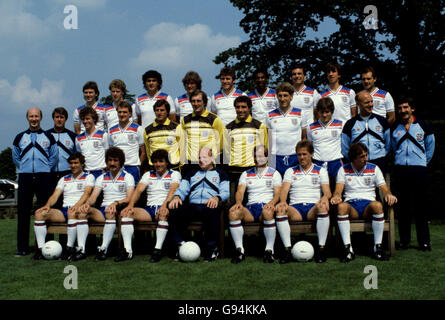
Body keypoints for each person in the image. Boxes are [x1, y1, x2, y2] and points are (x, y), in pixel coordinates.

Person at [331, 142, 397, 262]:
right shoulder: (344, 169)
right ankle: (348, 249)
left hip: (368, 205)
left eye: (366, 155)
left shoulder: (374, 168)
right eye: (362, 156)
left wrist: (389, 194)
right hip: (352, 206)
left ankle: (377, 248)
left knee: (378, 205)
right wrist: (336, 197)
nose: (365, 158)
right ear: (354, 158)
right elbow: (338, 190)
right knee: (341, 207)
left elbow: (384, 188)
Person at [168, 147, 229, 262]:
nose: (201, 160)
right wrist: (176, 197)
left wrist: (217, 197)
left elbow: (225, 192)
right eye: (199, 157)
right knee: (174, 208)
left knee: (213, 209)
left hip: (209, 205)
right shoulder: (191, 173)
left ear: (212, 158)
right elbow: (183, 189)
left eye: (204, 157)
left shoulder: (221, 173)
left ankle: (212, 248)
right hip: (193, 205)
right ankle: (179, 244)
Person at [275, 140, 332, 263]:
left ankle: (321, 249)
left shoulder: (320, 170)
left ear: (311, 154)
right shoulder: (290, 171)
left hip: (313, 207)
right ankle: (287, 250)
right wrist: (283, 201)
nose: (301, 157)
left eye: (304, 154)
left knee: (322, 207)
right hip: (296, 208)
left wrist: (324, 198)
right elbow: (284, 190)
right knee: (280, 209)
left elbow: (327, 192)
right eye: (299, 154)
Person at [391, 95, 435, 251]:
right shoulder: (395, 128)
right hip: (401, 170)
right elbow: (393, 148)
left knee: (421, 207)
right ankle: (404, 241)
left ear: (412, 109)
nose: (402, 111)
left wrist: (421, 162)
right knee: (403, 208)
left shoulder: (424, 126)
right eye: (400, 108)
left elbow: (430, 148)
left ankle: (424, 242)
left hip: (419, 170)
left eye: (405, 107)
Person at [120, 149, 181, 262]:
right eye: (155, 161)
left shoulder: (174, 174)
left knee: (163, 215)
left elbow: (173, 190)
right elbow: (138, 190)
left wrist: (164, 206)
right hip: (150, 209)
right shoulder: (148, 174)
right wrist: (131, 205)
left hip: (165, 207)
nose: (158, 164)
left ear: (167, 162)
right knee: (127, 213)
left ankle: (157, 250)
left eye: (161, 161)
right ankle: (127, 251)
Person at [12, 107, 58, 256]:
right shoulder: (19, 137)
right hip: (25, 176)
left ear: (41, 118)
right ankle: (22, 248)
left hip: (44, 176)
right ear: (27, 118)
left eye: (36, 116)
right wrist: (25, 168)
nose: (34, 119)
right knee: (23, 213)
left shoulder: (48, 137)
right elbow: (16, 158)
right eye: (31, 116)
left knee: (45, 210)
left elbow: (54, 157)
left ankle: (46, 246)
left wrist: (44, 168)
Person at [32, 153, 95, 261]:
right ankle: (40, 250)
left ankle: (69, 249)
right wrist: (47, 206)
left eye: (76, 163)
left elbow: (87, 193)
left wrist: (76, 206)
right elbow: (55, 195)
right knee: (39, 214)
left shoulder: (88, 177)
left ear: (82, 164)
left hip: (78, 210)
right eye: (71, 163)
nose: (73, 165)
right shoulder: (64, 179)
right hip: (64, 210)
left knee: (72, 212)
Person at [80, 147, 135, 261]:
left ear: (121, 162)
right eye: (109, 160)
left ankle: (104, 249)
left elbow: (129, 198)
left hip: (120, 209)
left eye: (115, 160)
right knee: (82, 212)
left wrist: (116, 203)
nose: (112, 163)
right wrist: (87, 204)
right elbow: (93, 197)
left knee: (110, 212)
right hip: (104, 210)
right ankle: (81, 249)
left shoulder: (127, 177)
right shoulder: (101, 177)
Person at [229, 145, 281, 263]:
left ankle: (269, 251)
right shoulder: (246, 174)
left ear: (267, 157)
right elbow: (240, 191)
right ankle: (240, 251)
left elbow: (278, 193)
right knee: (233, 213)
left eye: (261, 156)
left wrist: (272, 203)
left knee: (268, 212)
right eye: (256, 156)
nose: (258, 159)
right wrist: (238, 202)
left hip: (266, 206)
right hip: (251, 209)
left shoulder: (274, 173)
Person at [223, 95, 269, 204]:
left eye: (243, 107)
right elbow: (226, 152)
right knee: (233, 204)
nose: (240, 110)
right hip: (234, 171)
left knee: (251, 203)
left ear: (249, 108)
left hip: (252, 170)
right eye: (238, 107)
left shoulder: (260, 126)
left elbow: (265, 150)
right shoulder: (228, 127)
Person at [342, 91, 390, 174]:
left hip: (379, 162)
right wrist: (354, 159)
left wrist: (382, 156)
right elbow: (345, 148)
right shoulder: (350, 124)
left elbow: (388, 144)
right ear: (358, 103)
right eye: (367, 102)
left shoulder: (382, 121)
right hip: (358, 163)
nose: (370, 105)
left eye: (371, 101)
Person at [180, 90, 225, 177]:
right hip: (190, 163)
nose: (195, 103)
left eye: (198, 101)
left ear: (204, 102)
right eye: (193, 101)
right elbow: (182, 142)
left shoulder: (214, 119)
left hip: (209, 164)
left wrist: (213, 157)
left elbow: (222, 142)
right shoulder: (185, 120)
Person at [265, 82, 306, 177]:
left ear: (291, 96)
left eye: (285, 96)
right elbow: (268, 139)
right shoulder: (269, 115)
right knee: (276, 188)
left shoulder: (300, 113)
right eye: (280, 96)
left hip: (294, 157)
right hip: (275, 158)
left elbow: (304, 138)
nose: (282, 99)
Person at [306, 97, 344, 191]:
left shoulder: (340, 125)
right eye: (321, 112)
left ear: (332, 111)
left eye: (327, 112)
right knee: (319, 192)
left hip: (335, 163)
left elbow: (344, 145)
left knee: (337, 192)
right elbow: (310, 146)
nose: (324, 115)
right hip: (318, 162)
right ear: (318, 112)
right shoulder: (311, 127)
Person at [108, 100, 145, 183]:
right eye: (120, 112)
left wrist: (138, 166)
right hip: (117, 168)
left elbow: (143, 152)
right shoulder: (111, 130)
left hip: (132, 167)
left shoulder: (138, 129)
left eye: (125, 112)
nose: (122, 114)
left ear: (130, 114)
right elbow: (110, 152)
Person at [144, 99, 182, 172]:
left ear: (167, 112)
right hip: (155, 167)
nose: (159, 113)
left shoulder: (176, 127)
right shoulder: (147, 130)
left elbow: (182, 149)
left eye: (162, 110)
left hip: (173, 166)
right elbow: (148, 151)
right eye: (157, 110)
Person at [47, 107, 77, 192]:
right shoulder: (46, 135)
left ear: (65, 119)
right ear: (53, 118)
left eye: (62, 117)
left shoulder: (72, 136)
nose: (59, 120)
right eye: (57, 117)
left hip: (67, 173)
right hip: (50, 174)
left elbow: (76, 155)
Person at [75, 107, 108, 178]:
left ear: (94, 119)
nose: (85, 121)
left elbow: (107, 154)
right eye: (83, 119)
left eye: (87, 118)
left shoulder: (103, 135)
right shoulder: (78, 138)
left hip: (100, 172)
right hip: (85, 173)